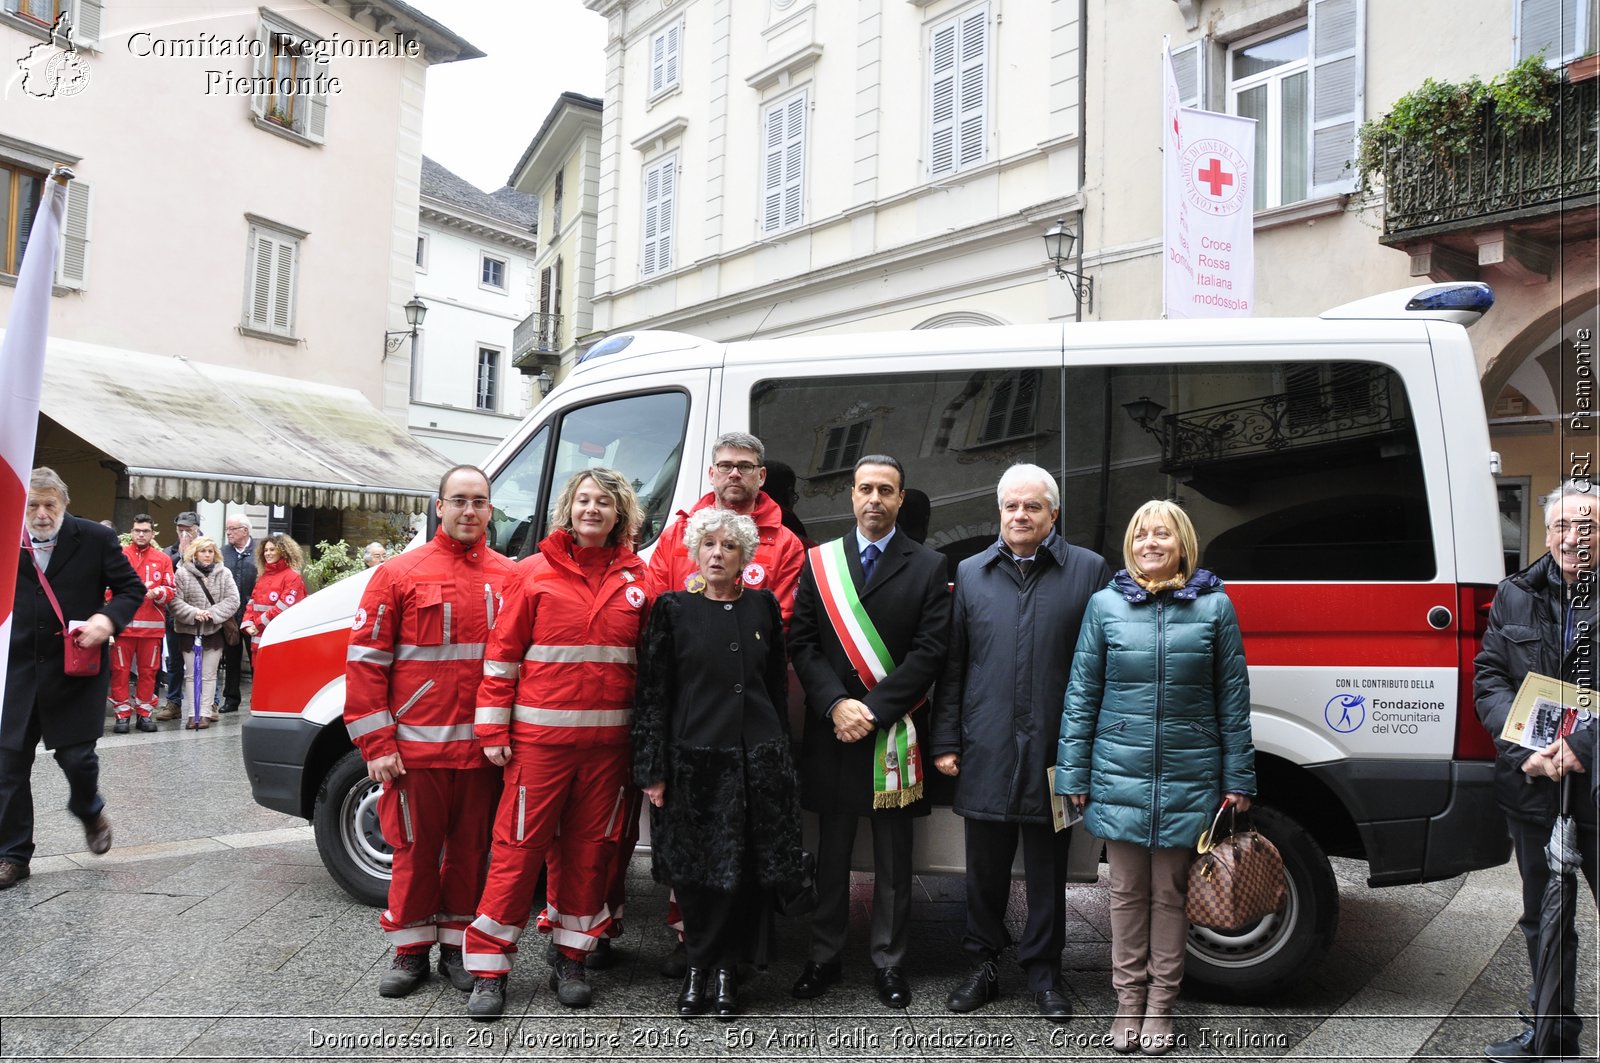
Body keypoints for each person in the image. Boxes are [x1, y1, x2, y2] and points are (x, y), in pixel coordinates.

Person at [1056, 499, 1255, 1054]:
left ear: (1182, 544)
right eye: (1141, 534)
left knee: (1170, 892)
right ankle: (1126, 1002)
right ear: (1131, 545)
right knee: (1124, 892)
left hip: (1190, 776)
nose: (1150, 543)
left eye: (1162, 534)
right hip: (1118, 772)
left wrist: (1238, 777)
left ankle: (1161, 1007)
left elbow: (1233, 700)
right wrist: (1072, 772)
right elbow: (1081, 695)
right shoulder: (1105, 605)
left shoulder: (1216, 607)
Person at [464, 468, 652, 1020]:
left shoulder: (641, 580)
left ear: (621, 515)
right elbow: (502, 656)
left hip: (609, 751)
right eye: (583, 500)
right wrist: (494, 730)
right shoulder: (532, 574)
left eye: (604, 503)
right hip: (540, 746)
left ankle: (571, 956)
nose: (592, 510)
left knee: (591, 855)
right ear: (569, 508)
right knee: (516, 853)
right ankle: (489, 969)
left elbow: (652, 670)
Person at [931, 464, 1110, 1021]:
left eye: (1033, 507)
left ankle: (1044, 972)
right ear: (999, 511)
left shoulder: (1088, 570)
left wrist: (1087, 751)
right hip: (985, 746)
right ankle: (983, 963)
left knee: (1048, 869)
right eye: (1011, 506)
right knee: (983, 867)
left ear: (1053, 514)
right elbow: (954, 666)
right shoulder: (971, 572)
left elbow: (1102, 667)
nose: (1021, 516)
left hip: (1058, 752)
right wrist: (945, 738)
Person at [634, 431, 807, 977]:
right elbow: (663, 610)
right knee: (692, 839)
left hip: (748, 726)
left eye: (746, 467)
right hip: (696, 720)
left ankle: (732, 957)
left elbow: (777, 623)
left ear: (761, 475)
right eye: (725, 466)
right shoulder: (680, 532)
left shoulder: (784, 541)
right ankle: (691, 944)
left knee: (746, 846)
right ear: (711, 473)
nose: (735, 474)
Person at [344, 465, 516, 1001]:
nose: (470, 511)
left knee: (470, 854)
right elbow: (366, 663)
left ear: (491, 510)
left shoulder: (510, 576)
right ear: (438, 506)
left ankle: (458, 950)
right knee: (414, 852)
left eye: (480, 501)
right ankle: (410, 951)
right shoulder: (397, 574)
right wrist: (377, 744)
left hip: (482, 752)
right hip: (415, 751)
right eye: (459, 500)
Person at [789, 454, 952, 1010]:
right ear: (850, 495)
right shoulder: (820, 562)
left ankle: (889, 961)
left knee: (893, 861)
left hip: (892, 734)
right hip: (834, 732)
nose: (874, 499)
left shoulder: (928, 565)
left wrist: (873, 710)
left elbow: (931, 651)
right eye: (865, 488)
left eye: (886, 490)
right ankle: (824, 955)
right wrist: (836, 704)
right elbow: (802, 643)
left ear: (901, 499)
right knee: (829, 856)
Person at [1474, 478, 1600, 1063]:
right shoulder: (1514, 594)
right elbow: (1490, 679)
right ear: (1546, 533)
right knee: (1544, 918)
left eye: (1588, 526)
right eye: (1561, 526)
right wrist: (1523, 748)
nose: (1573, 537)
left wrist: (1587, 746)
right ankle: (1552, 1037)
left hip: (1596, 781)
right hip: (1534, 781)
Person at [1, 468, 144, 888]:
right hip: (17, 671)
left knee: (78, 760)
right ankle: (12, 854)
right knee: (8, 766)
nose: (42, 514)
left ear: (64, 505)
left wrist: (107, 620)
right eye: (33, 505)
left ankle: (88, 808)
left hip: (75, 667)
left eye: (50, 504)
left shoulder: (94, 539)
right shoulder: (7, 537)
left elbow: (130, 590)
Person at [108, 513, 175, 734]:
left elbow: (171, 590)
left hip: (151, 627)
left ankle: (145, 714)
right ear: (132, 532)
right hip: (123, 626)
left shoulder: (162, 559)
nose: (141, 534)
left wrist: (158, 592)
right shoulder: (120, 556)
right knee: (120, 671)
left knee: (149, 672)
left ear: (152, 533)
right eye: (137, 530)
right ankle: (122, 715)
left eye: (145, 531)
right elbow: (107, 588)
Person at [168, 537, 241, 731]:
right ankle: (193, 714)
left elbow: (233, 600)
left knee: (209, 674)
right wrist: (194, 613)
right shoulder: (182, 573)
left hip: (214, 631)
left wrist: (213, 613)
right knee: (191, 675)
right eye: (203, 551)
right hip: (188, 631)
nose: (207, 555)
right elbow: (174, 601)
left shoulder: (224, 573)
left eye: (210, 551)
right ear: (194, 553)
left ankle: (206, 713)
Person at [154, 511, 200, 721]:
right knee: (173, 662)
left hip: (200, 618)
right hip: (174, 617)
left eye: (188, 529)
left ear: (196, 528)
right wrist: (179, 556)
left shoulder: (207, 549)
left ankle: (209, 703)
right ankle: (174, 703)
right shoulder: (168, 552)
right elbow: (165, 578)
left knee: (202, 661)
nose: (184, 533)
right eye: (180, 529)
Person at [218, 516, 257, 715]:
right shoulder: (223, 553)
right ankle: (231, 698)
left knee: (256, 659)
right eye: (227, 529)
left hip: (254, 617)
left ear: (245, 530)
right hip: (230, 615)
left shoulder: (259, 551)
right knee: (231, 658)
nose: (229, 533)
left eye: (232, 529)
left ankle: (258, 699)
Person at [240, 535, 307, 641]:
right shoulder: (263, 576)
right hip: (257, 637)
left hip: (279, 638)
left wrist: (258, 624)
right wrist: (247, 623)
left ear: (282, 552)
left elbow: (283, 607)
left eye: (272, 550)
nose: (267, 553)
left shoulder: (293, 577)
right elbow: (252, 603)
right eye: (265, 550)